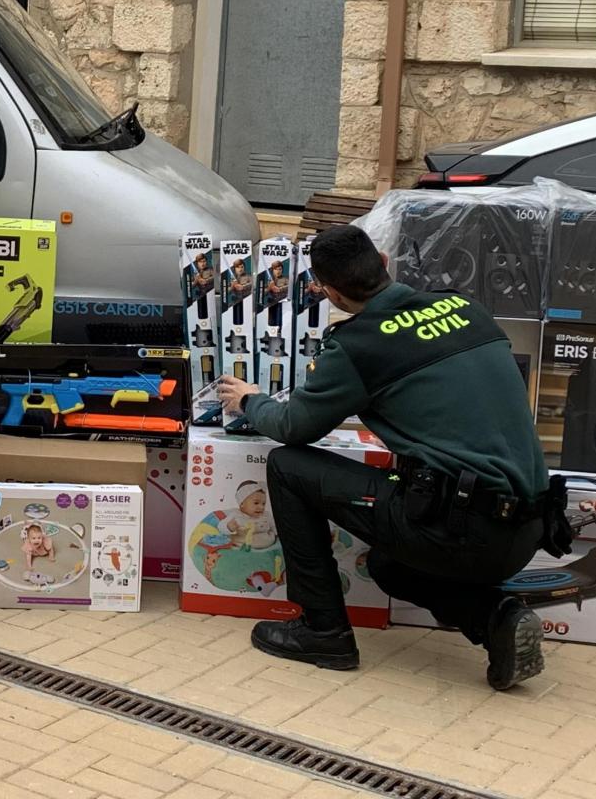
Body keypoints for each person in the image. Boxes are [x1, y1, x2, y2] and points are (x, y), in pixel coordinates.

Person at [216, 225, 559, 691]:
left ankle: (323, 631)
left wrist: (250, 399)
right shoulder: (467, 308)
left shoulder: (358, 345)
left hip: (464, 530)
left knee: (288, 466)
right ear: (382, 260)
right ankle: (498, 619)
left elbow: (295, 427)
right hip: (530, 528)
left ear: (329, 292)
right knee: (388, 566)